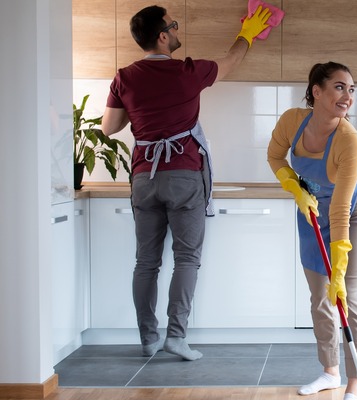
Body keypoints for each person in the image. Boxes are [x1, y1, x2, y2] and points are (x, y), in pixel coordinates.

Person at [100, 5, 275, 360]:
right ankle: (176, 338)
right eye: (174, 26)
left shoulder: (124, 77)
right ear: (162, 35)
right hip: (183, 175)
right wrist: (247, 33)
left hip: (144, 178)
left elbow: (108, 127)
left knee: (146, 262)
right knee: (187, 259)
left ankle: (148, 339)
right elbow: (231, 61)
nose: (177, 31)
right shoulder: (187, 71)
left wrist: (141, 110)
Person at [267, 62, 357, 400]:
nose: (347, 97)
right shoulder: (291, 121)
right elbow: (274, 156)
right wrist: (293, 187)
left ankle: (353, 389)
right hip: (312, 211)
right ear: (316, 91)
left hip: (353, 215)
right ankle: (330, 372)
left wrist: (340, 266)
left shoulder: (349, 140)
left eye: (351, 90)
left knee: (348, 297)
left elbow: (343, 210)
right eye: (339, 87)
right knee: (319, 298)